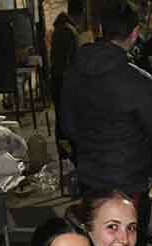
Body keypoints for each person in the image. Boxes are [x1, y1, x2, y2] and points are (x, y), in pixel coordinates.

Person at [60, 1, 152, 197]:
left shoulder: (74, 72)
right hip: (130, 185)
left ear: (101, 29)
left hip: (89, 180)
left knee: (97, 226)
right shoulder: (139, 81)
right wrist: (150, 169)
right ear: (134, 33)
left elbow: (67, 127)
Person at [50, 0, 87, 146]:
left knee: (63, 119)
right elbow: (65, 62)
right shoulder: (68, 30)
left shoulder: (64, 28)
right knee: (65, 120)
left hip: (60, 79)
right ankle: (65, 154)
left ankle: (64, 153)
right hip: (63, 81)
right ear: (81, 13)